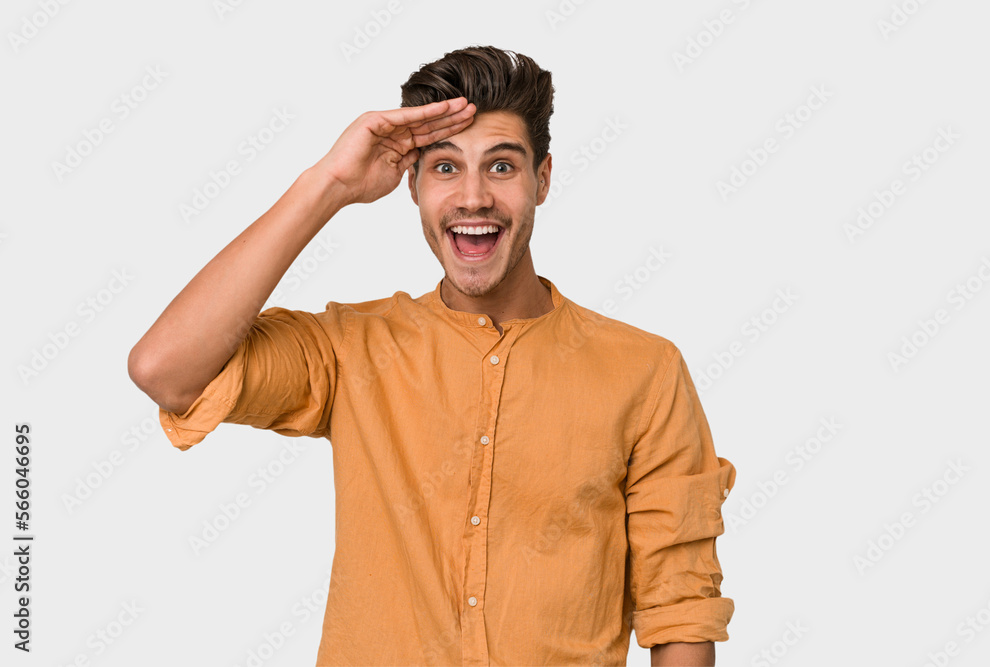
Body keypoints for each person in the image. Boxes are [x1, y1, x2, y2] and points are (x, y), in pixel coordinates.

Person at [128, 45, 737, 667]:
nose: (473, 197)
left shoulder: (645, 370)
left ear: (543, 180)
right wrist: (329, 185)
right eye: (445, 168)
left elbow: (680, 609)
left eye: (501, 167)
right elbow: (167, 370)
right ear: (411, 184)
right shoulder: (351, 349)